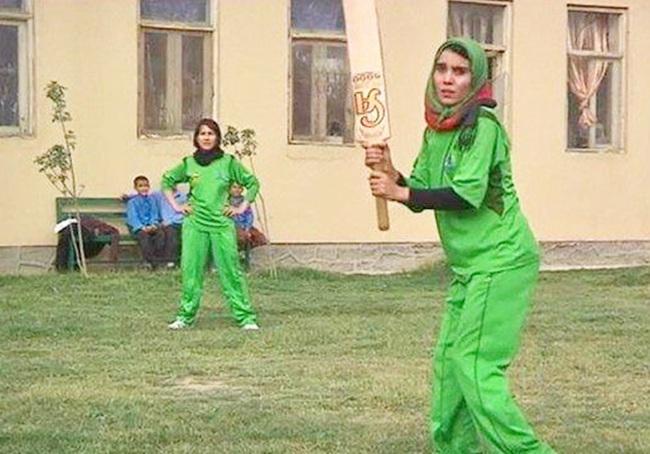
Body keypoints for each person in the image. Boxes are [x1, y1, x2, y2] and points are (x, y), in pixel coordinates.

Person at [364, 37, 555, 453]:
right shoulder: (436, 131)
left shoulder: (483, 128)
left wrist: (402, 194)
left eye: (460, 71)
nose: (448, 79)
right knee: (450, 369)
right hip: (468, 268)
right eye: (442, 69)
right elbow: (421, 190)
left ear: (476, 80)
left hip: (501, 260)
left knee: (474, 365)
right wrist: (389, 171)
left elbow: (463, 195)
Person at [162, 118, 260, 331]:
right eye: (202, 134)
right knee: (191, 271)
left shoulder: (229, 162)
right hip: (195, 224)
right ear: (196, 138)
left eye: (211, 133)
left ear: (217, 137)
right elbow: (167, 181)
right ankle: (185, 317)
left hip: (221, 225)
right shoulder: (188, 163)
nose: (206, 137)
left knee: (231, 271)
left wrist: (241, 207)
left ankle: (245, 318)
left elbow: (252, 183)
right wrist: (177, 207)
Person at [125, 175, 173, 268]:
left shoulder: (152, 199)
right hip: (137, 227)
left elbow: (154, 213)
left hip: (151, 225)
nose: (144, 188)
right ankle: (150, 262)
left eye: (146, 185)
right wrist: (142, 227)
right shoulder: (132, 202)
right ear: (135, 188)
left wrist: (153, 224)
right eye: (141, 186)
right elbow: (133, 217)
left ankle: (158, 259)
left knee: (160, 235)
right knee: (144, 237)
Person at [229, 183, 267, 251]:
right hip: (232, 226)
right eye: (234, 187)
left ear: (242, 190)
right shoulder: (226, 201)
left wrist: (247, 228)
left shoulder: (244, 201)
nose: (237, 190)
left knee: (260, 238)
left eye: (239, 188)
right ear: (229, 189)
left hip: (244, 225)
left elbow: (249, 215)